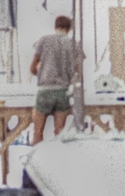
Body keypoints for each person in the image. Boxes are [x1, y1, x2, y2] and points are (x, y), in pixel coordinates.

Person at [29, 15, 84, 144]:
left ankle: (36, 158)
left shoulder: (44, 40)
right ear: (69, 29)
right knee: (59, 134)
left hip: (45, 90)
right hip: (63, 91)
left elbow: (33, 66)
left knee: (37, 134)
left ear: (55, 27)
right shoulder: (73, 44)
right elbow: (79, 71)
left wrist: (40, 73)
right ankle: (57, 158)